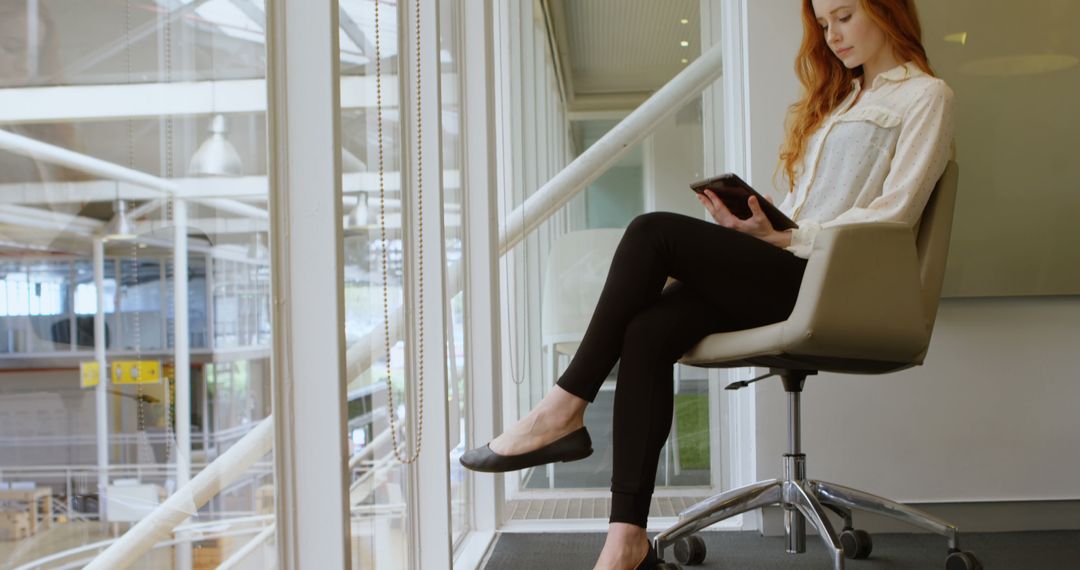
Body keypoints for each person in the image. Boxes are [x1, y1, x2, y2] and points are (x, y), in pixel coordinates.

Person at [461, 0, 955, 568]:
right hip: (791, 264)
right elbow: (804, 213)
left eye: (844, 17)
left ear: (886, 9)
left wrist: (787, 240)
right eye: (823, 24)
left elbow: (894, 215)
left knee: (652, 233)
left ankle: (560, 410)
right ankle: (627, 543)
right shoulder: (842, 101)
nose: (832, 35)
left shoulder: (926, 96)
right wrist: (758, 230)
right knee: (647, 331)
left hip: (836, 282)